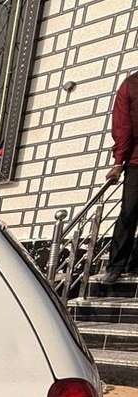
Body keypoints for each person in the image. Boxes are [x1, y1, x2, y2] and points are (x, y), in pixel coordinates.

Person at [106, 71, 138, 281]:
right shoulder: (131, 85)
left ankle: (130, 265)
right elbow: (123, 126)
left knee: (130, 210)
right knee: (129, 211)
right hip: (136, 161)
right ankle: (117, 265)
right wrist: (119, 162)